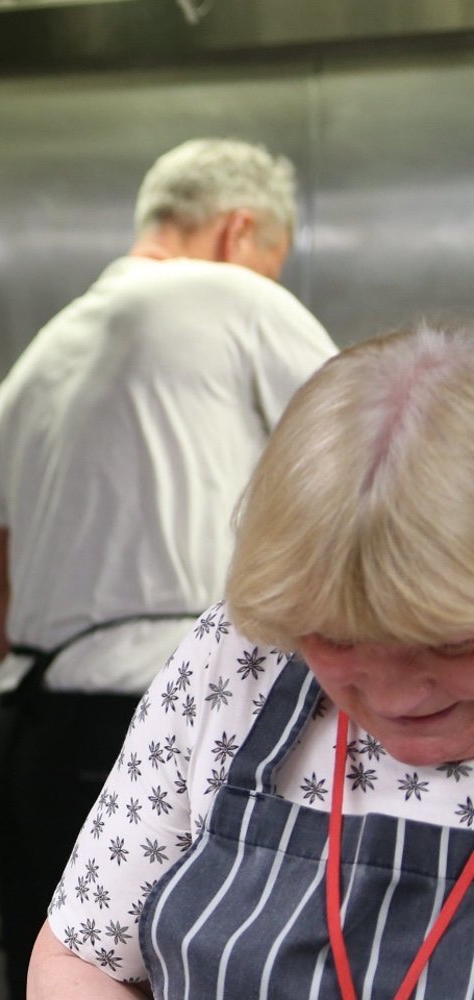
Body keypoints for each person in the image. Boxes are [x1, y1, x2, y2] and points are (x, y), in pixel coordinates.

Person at [0, 138, 337, 997]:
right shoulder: (233, 295)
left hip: (31, 740)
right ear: (239, 233)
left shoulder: (46, 349)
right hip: (156, 736)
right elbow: (383, 461)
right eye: (276, 260)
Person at [31, 324, 474, 997]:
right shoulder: (239, 659)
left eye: (451, 643)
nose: (394, 695)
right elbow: (83, 957)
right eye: (338, 638)